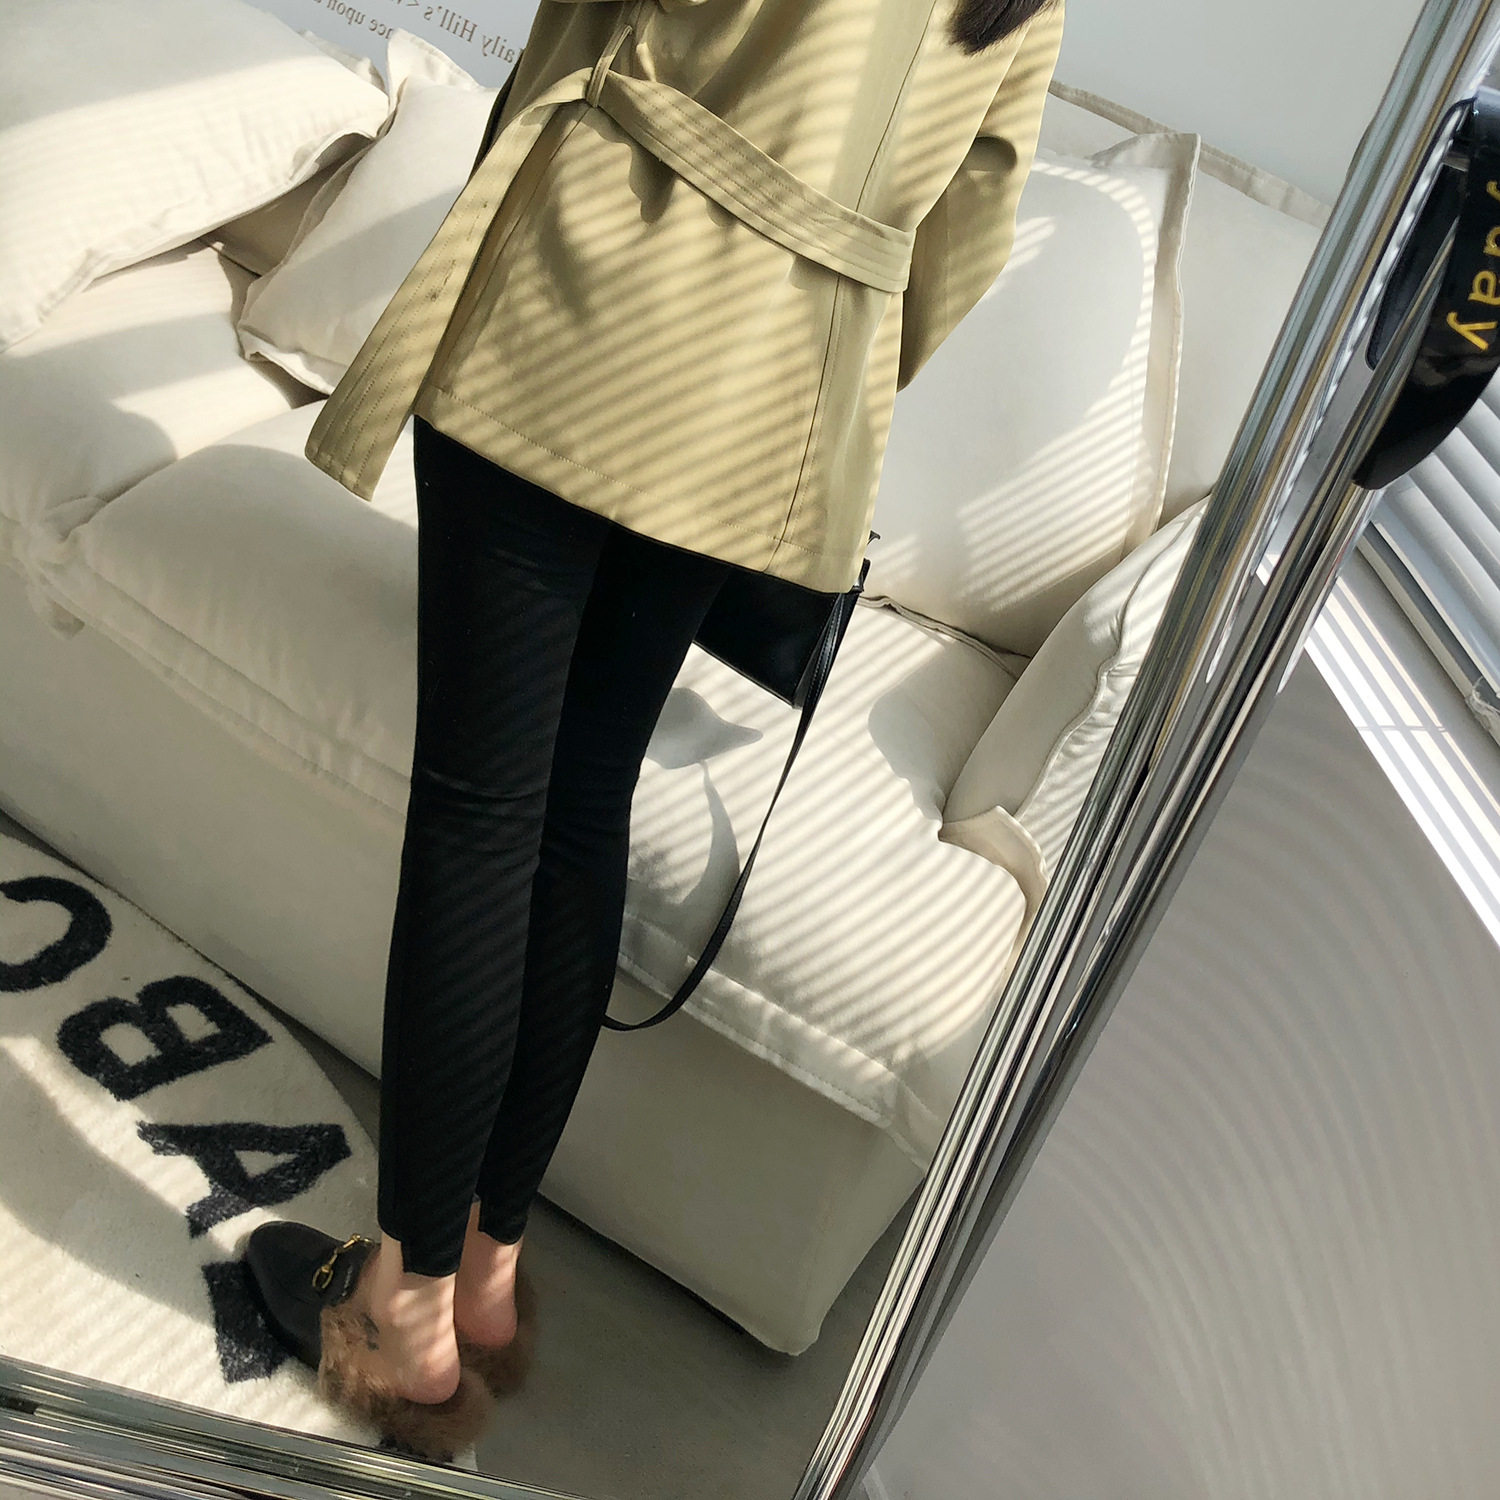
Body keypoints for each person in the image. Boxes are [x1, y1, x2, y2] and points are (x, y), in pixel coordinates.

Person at [246, 0, 1065, 1454]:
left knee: (481, 812)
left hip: (583, 295)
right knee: (583, 805)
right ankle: (487, 1266)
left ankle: (405, 1302)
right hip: (776, 386)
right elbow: (975, 213)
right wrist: (823, 341)